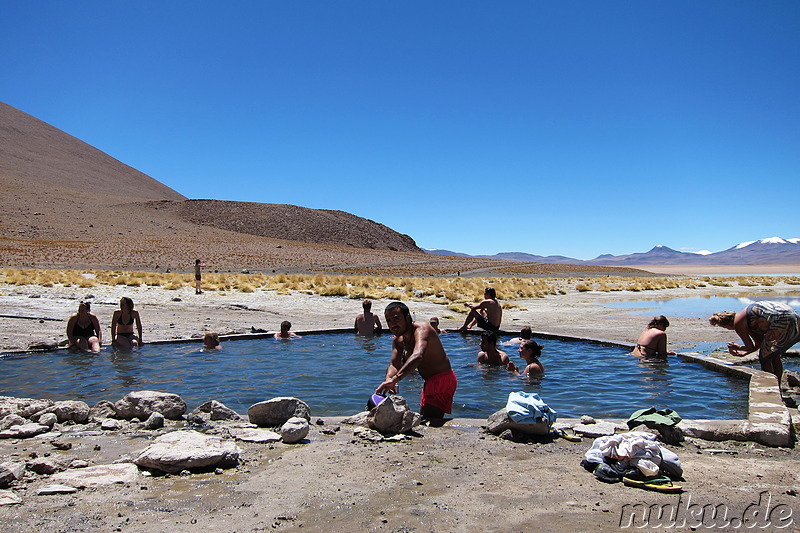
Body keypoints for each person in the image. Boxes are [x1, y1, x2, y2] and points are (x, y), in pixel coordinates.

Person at [376, 301, 457, 423]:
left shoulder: (422, 329)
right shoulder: (398, 339)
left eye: (396, 319)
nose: (393, 324)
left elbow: (418, 355)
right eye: (389, 321)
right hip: (428, 381)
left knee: (431, 421)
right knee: (424, 419)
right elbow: (394, 364)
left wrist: (395, 379)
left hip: (442, 380)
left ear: (408, 317)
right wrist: (388, 379)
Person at [709, 301, 800, 379]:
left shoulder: (738, 323)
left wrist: (738, 347)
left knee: (764, 358)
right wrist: (744, 353)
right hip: (792, 315)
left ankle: (769, 387)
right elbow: (758, 344)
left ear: (726, 325)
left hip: (780, 319)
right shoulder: (746, 317)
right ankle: (777, 386)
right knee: (773, 355)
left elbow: (750, 346)